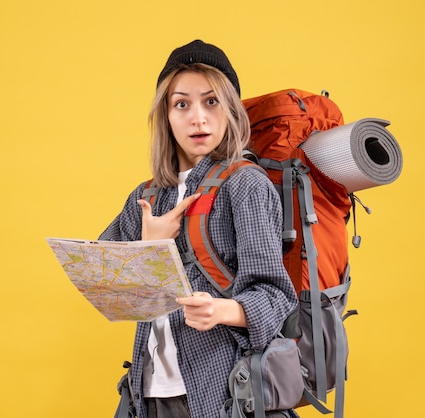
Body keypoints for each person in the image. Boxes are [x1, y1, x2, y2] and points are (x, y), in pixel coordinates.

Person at [99, 40, 299, 418]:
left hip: (224, 391)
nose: (198, 118)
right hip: (150, 394)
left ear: (230, 111)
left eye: (211, 101)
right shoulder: (145, 197)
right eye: (181, 104)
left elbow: (276, 297)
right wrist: (150, 247)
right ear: (166, 115)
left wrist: (223, 310)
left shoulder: (245, 185)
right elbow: (110, 292)